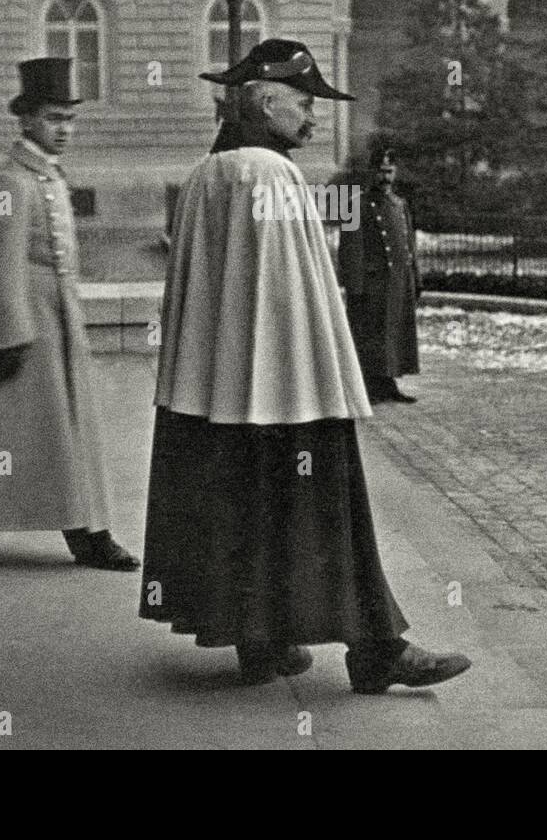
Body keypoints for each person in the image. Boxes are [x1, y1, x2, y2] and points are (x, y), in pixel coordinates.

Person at [139, 38, 470, 693]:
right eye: (304, 101)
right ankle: (377, 650)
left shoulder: (205, 178)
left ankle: (259, 641)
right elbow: (299, 301)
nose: (314, 117)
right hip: (286, 390)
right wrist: (329, 378)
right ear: (265, 100)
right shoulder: (273, 176)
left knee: (239, 507)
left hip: (211, 393)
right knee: (328, 511)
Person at [0, 58, 139, 571]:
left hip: (55, 319)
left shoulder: (47, 177)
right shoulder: (12, 183)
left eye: (70, 119)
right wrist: (10, 333)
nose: (65, 130)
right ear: (27, 120)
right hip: (23, 324)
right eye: (55, 118)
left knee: (1, 429)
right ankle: (86, 535)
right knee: (17, 430)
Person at [339, 146, 421, 403]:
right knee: (371, 335)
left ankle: (389, 383)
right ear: (371, 172)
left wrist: (415, 279)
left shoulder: (400, 204)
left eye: (390, 172)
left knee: (393, 334)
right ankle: (370, 386)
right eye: (381, 172)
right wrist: (355, 287)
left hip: (397, 281)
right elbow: (350, 249)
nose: (385, 178)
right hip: (372, 284)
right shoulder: (355, 204)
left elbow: (410, 244)